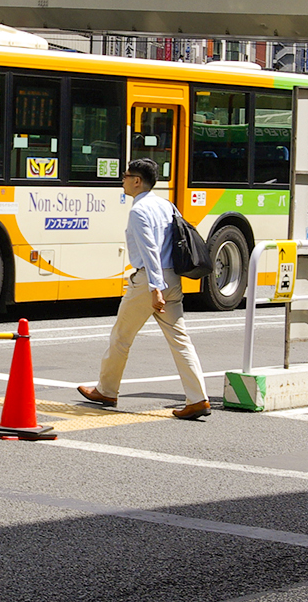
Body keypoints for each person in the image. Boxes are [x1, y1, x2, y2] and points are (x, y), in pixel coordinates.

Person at [78, 158, 210, 420]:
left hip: (150, 282)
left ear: (137, 181)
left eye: (126, 176)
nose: (123, 180)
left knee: (121, 336)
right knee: (180, 340)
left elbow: (150, 250)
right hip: (174, 280)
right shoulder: (167, 206)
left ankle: (106, 390)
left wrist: (154, 288)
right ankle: (198, 399)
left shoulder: (139, 211)